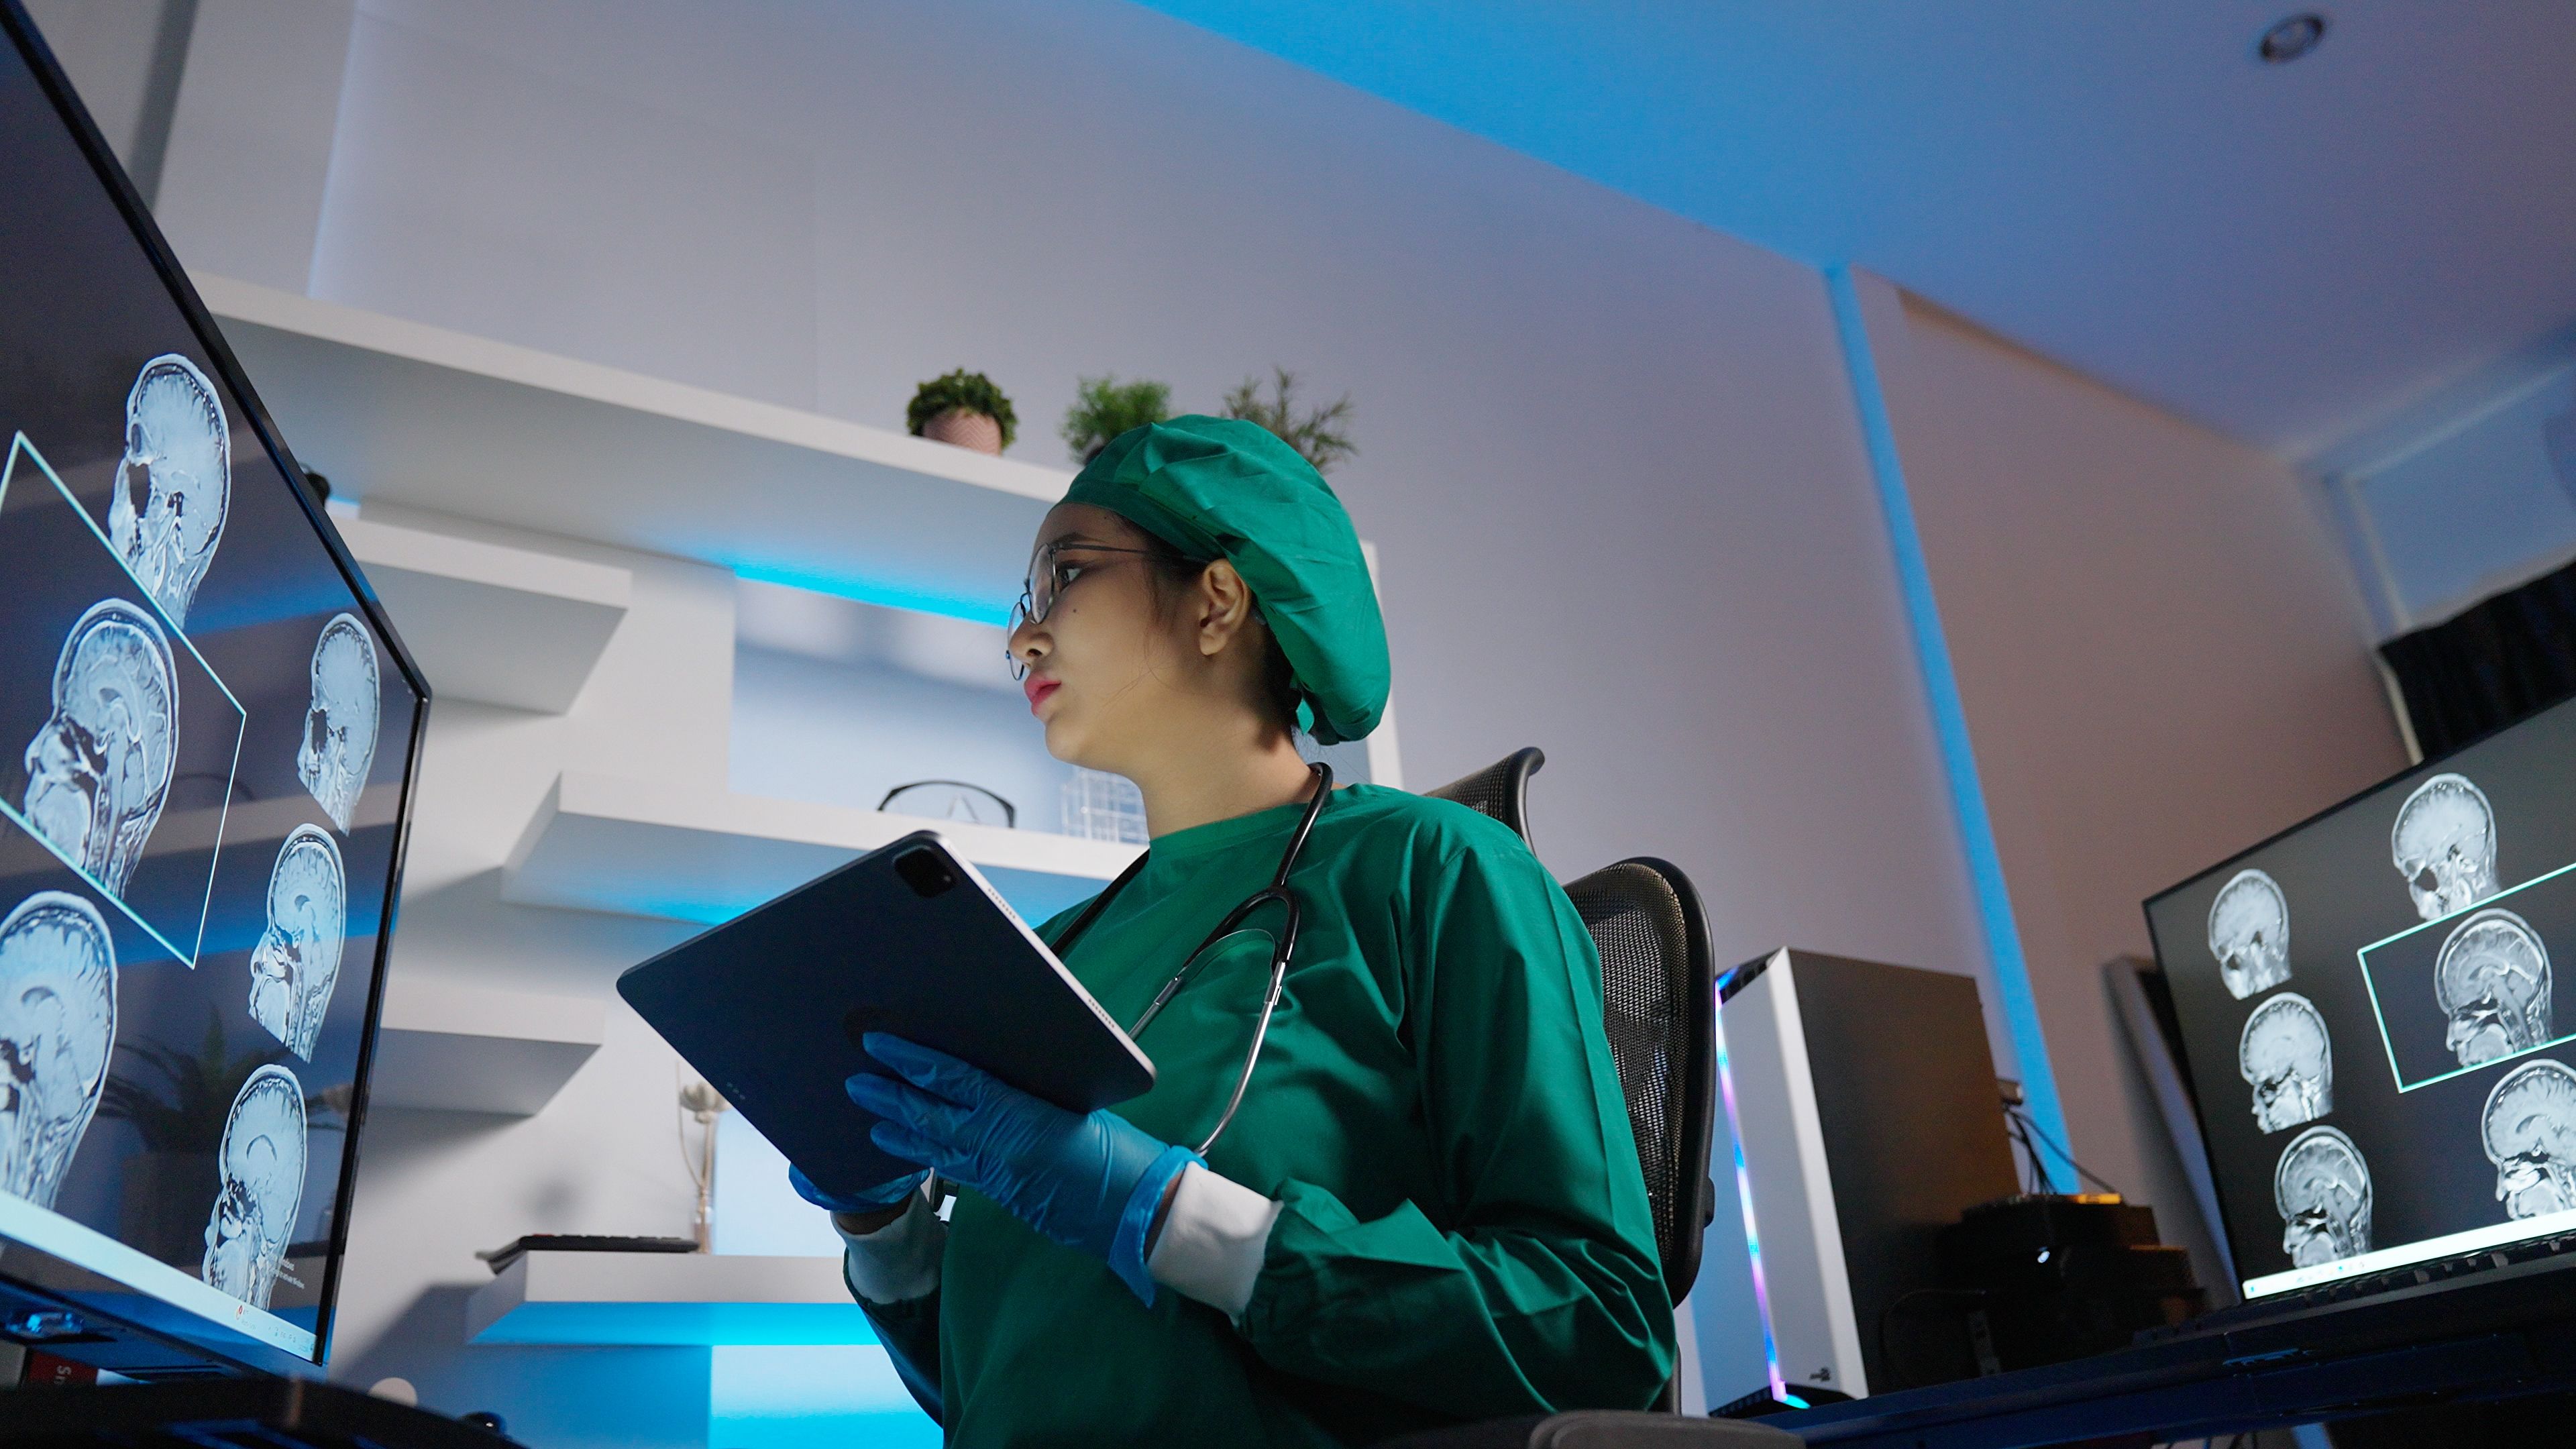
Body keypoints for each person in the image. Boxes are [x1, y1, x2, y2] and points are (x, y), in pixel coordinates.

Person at [789, 417, 1673, 1444]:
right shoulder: (1052, 952)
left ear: (1217, 599)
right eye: (1022, 606)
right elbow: (1009, 1376)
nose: (1022, 638)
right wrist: (885, 1232)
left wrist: (1174, 1218)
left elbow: (1600, 1327)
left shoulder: (1437, 870)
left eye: (1066, 576)